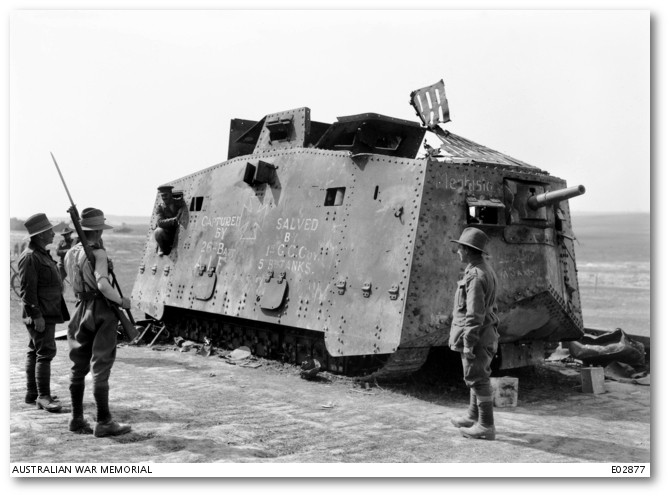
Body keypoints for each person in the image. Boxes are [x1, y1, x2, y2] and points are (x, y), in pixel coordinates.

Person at [64, 207, 132, 437]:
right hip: (101, 309)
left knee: (78, 366)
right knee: (101, 366)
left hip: (80, 309)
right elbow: (103, 285)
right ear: (99, 231)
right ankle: (103, 421)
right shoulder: (98, 254)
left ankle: (76, 418)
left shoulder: (70, 253)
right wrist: (122, 301)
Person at [448, 227, 499, 441]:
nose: (458, 251)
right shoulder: (481, 269)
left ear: (468, 251)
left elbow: (474, 313)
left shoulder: (476, 276)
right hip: (485, 332)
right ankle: (472, 416)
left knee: (478, 378)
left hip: (477, 335)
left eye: (460, 248)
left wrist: (468, 342)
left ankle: (486, 426)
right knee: (475, 375)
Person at [18, 213, 69, 413]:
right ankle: (43, 397)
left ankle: (33, 393)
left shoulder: (40, 253)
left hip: (47, 310)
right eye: (49, 231)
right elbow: (27, 291)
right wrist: (36, 315)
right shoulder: (31, 256)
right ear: (40, 235)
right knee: (45, 352)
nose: (52, 233)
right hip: (41, 313)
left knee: (35, 350)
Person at [153, 185, 186, 256]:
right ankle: (162, 248)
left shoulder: (179, 202)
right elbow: (160, 222)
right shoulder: (160, 208)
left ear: (171, 194)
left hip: (179, 230)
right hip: (168, 233)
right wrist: (174, 219)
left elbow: (186, 205)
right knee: (158, 231)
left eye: (166, 195)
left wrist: (182, 209)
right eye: (162, 196)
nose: (164, 197)